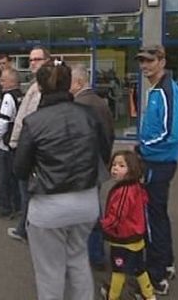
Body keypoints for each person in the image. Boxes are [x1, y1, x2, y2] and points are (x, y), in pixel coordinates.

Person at [14, 61, 112, 300]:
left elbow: (20, 168)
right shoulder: (89, 115)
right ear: (70, 84)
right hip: (86, 202)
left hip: (49, 206)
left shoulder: (34, 122)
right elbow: (103, 151)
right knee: (78, 259)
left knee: (50, 270)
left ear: (39, 86)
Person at [135, 45, 178, 296]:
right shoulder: (156, 90)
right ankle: (165, 264)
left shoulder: (167, 90)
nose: (145, 66)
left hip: (159, 163)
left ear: (162, 61)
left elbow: (171, 133)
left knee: (152, 218)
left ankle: (155, 276)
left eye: (149, 61)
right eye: (142, 61)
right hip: (156, 161)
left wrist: (142, 148)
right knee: (158, 215)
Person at [70, 65, 115, 270]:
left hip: (84, 167)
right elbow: (108, 136)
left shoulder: (80, 105)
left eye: (69, 82)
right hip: (97, 165)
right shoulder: (100, 102)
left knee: (86, 213)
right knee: (93, 208)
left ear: (79, 82)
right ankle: (95, 253)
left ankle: (92, 254)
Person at [6, 46, 50, 243]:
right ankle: (25, 228)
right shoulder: (35, 84)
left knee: (29, 193)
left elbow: (31, 120)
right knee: (26, 192)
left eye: (37, 59)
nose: (33, 62)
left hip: (31, 148)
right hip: (23, 145)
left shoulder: (44, 87)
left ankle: (27, 230)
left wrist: (18, 143)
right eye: (31, 59)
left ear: (47, 61)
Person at [99, 150, 156, 300]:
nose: (115, 168)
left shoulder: (124, 191)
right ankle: (149, 295)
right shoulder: (136, 187)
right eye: (114, 165)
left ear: (131, 169)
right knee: (139, 268)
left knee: (119, 270)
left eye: (121, 165)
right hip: (136, 237)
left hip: (123, 238)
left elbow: (118, 215)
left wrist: (103, 225)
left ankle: (113, 296)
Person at [0, 68, 23, 218]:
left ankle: (4, 207)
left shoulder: (8, 98)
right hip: (16, 143)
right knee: (14, 178)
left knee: (3, 178)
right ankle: (17, 205)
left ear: (12, 81)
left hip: (6, 143)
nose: (0, 82)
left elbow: (3, 120)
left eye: (3, 79)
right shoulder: (20, 96)